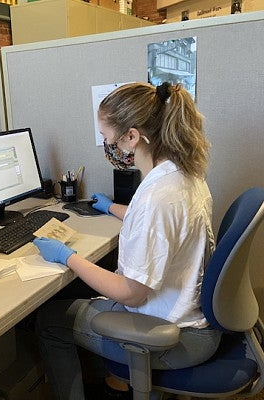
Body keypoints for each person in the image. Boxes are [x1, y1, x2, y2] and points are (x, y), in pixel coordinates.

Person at [33, 82, 222, 400]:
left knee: (49, 319)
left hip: (171, 338)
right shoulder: (185, 173)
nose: (109, 147)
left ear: (132, 136)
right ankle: (112, 380)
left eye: (108, 139)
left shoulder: (157, 198)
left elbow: (130, 294)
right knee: (85, 290)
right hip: (190, 313)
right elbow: (162, 225)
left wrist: (68, 256)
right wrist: (112, 208)